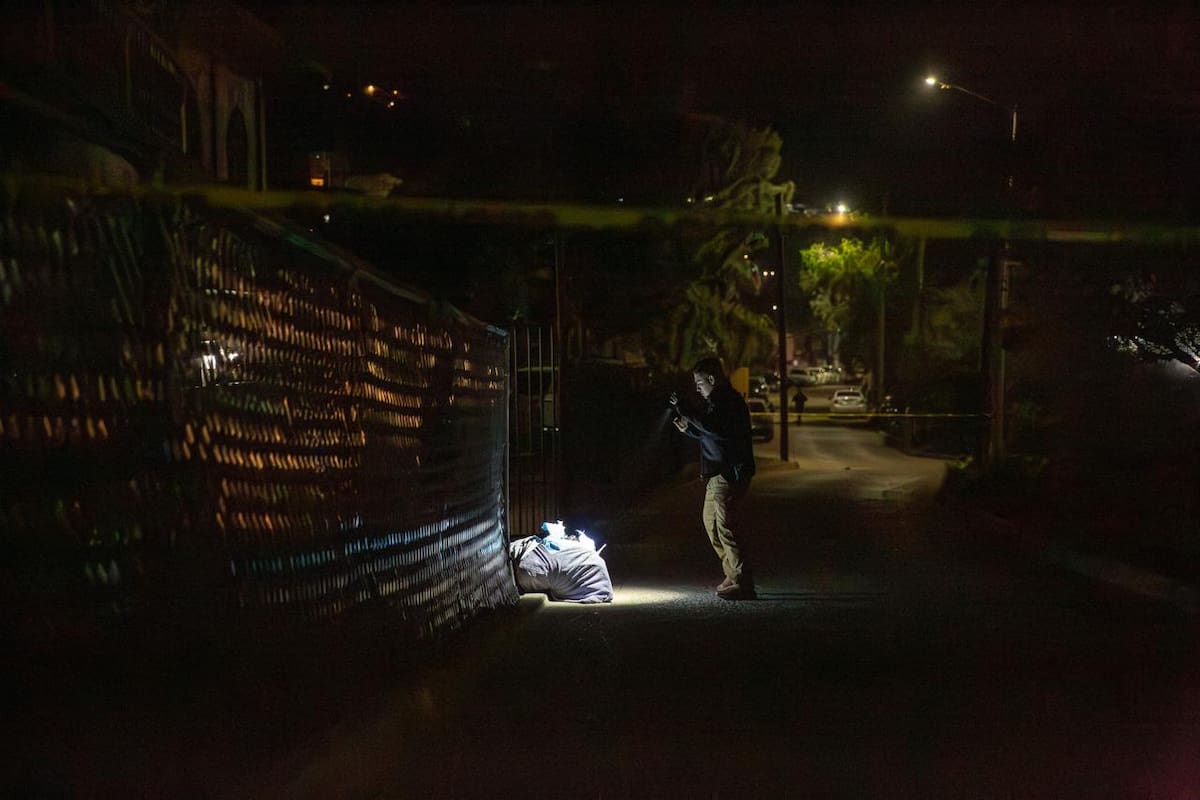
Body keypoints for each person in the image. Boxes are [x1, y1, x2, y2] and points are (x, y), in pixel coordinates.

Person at [669, 357, 757, 600]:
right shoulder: (716, 402)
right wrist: (690, 429)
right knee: (712, 524)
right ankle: (732, 574)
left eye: (699, 383)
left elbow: (716, 428)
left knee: (726, 526)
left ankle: (742, 582)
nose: (697, 389)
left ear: (712, 379)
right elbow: (713, 433)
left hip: (729, 472)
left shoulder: (726, 401)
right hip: (718, 473)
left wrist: (687, 410)